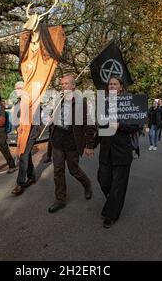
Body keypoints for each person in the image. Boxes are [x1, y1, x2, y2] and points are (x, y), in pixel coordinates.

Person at [47, 74, 96, 213]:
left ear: (73, 86)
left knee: (73, 170)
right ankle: (60, 200)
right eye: (62, 84)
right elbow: (54, 115)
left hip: (72, 142)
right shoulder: (59, 100)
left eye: (66, 84)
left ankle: (87, 184)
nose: (63, 87)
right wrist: (51, 118)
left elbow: (89, 124)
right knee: (58, 171)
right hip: (57, 141)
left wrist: (89, 145)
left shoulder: (82, 102)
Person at [97, 76, 140, 228]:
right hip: (106, 150)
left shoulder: (131, 102)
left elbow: (136, 126)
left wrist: (120, 125)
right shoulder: (104, 102)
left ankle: (111, 215)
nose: (113, 86)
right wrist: (90, 145)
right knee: (103, 180)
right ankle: (113, 200)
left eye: (116, 84)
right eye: (110, 84)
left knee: (118, 185)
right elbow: (99, 126)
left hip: (122, 150)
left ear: (121, 87)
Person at [11, 81, 40, 195]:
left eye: (19, 88)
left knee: (23, 155)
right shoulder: (17, 103)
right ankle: (32, 176)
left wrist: (28, 125)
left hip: (31, 134)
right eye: (16, 88)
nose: (17, 90)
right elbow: (14, 117)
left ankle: (20, 183)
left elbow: (37, 120)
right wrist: (17, 126)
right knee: (26, 156)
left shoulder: (33, 102)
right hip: (21, 133)